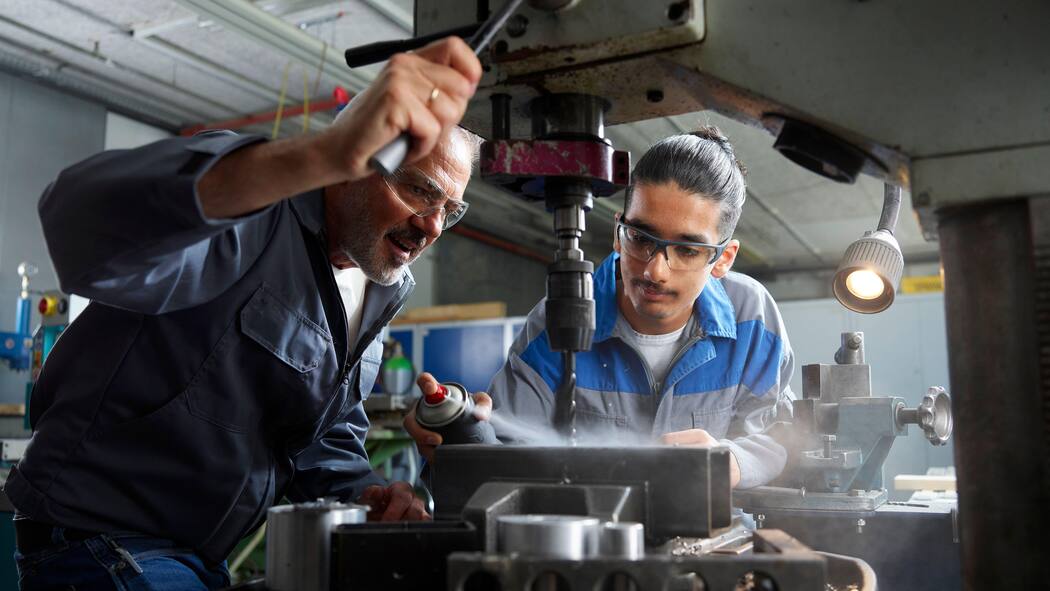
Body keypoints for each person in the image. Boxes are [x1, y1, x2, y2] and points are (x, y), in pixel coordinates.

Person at [6, 37, 481, 590]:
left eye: (451, 209)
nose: (432, 227)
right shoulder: (249, 208)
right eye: (420, 191)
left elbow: (316, 437)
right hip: (103, 540)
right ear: (356, 161)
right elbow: (80, 223)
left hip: (200, 558)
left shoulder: (377, 289)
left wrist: (366, 494)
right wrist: (316, 154)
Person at [406, 127, 795, 490]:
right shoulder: (560, 318)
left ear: (724, 257)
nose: (655, 270)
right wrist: (459, 440)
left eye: (687, 250)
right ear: (617, 231)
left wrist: (735, 460)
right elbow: (503, 455)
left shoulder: (753, 318)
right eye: (641, 239)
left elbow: (781, 432)